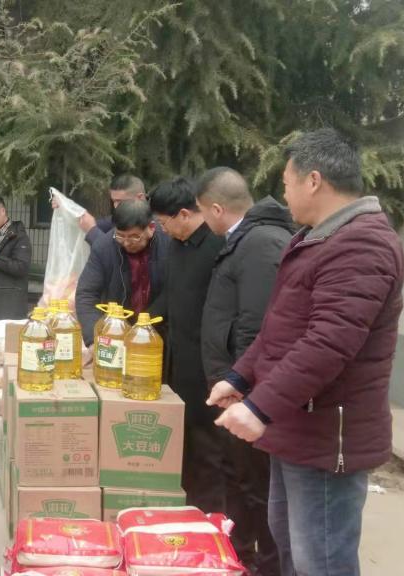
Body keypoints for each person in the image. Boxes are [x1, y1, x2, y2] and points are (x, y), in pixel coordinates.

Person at [208, 129, 404, 576]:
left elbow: (329, 343)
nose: (284, 194)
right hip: (297, 424)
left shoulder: (362, 245)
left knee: (322, 560)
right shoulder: (317, 239)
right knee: (292, 549)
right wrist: (239, 378)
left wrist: (259, 407)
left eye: (286, 182)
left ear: (313, 180)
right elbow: (279, 329)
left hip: (326, 434)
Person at [196, 167, 292, 576]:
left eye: (203, 212)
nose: (204, 222)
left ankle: (267, 564)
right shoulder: (245, 240)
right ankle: (241, 555)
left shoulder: (260, 243)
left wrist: (243, 383)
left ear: (217, 209)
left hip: (250, 393)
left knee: (260, 486)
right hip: (236, 388)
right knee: (240, 478)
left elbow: (259, 326)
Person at [149, 176, 227, 514]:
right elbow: (170, 296)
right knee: (185, 441)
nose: (163, 231)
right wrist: (142, 322)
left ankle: (209, 516)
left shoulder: (217, 245)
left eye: (163, 223)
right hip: (179, 360)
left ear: (183, 214)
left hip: (208, 365)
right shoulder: (178, 246)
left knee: (208, 445)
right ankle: (186, 507)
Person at [76, 199, 169, 347]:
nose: (126, 243)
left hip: (159, 335)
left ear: (151, 228)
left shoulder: (168, 242)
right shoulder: (104, 247)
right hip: (116, 333)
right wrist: (94, 340)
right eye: (120, 236)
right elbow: (86, 294)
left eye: (134, 237)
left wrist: (144, 327)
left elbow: (174, 290)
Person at [52, 174, 147, 246]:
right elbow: (88, 223)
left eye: (120, 201)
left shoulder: (150, 226)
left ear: (140, 198)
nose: (116, 206)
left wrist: (92, 231)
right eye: (114, 201)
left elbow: (115, 256)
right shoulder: (118, 220)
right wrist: (67, 207)